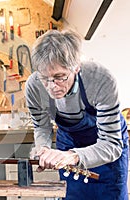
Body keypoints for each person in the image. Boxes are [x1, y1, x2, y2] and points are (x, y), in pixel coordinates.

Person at [25, 29, 129, 200]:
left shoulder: (100, 79)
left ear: (76, 67)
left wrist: (74, 156)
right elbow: (41, 127)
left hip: (106, 146)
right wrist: (42, 148)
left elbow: (111, 143)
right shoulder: (34, 86)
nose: (52, 86)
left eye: (60, 77)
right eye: (45, 78)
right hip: (69, 141)